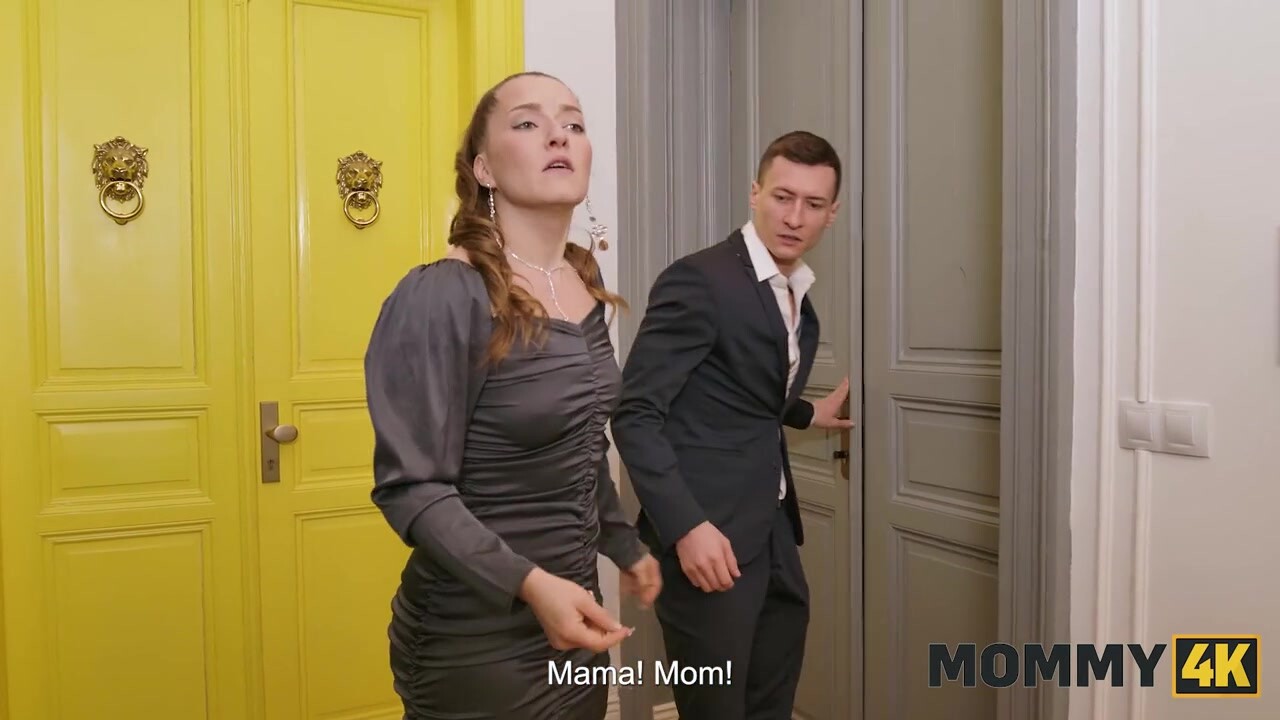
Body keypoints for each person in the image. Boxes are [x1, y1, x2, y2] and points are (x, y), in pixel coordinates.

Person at [362, 71, 662, 720]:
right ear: (484, 169)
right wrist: (530, 585)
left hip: (574, 614)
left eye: (573, 123)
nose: (559, 135)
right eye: (528, 122)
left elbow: (580, 445)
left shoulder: (581, 279)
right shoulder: (442, 294)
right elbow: (412, 489)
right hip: (475, 637)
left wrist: (623, 544)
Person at [611, 130, 855, 719]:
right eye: (782, 197)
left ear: (832, 213)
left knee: (771, 700)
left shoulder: (797, 293)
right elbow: (635, 414)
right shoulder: (700, 280)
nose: (794, 217)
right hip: (707, 536)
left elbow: (746, 387)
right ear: (755, 193)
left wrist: (805, 412)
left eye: (813, 204)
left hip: (772, 529)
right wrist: (686, 527)